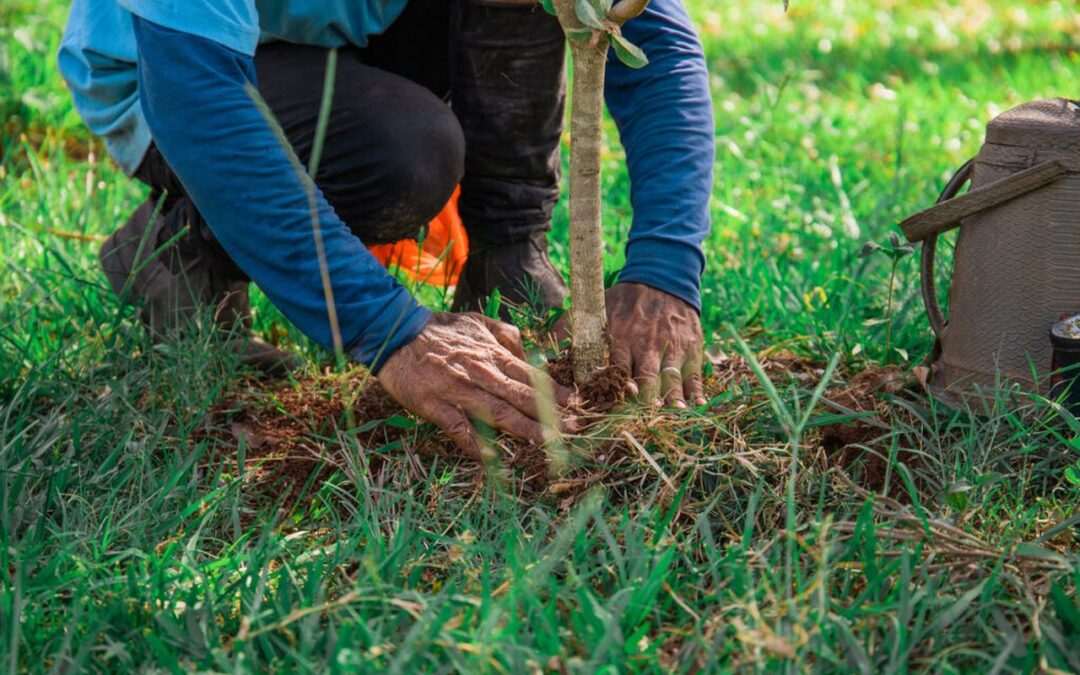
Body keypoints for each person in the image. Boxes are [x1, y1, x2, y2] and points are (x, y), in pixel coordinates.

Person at [58, 0, 715, 457]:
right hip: (174, 72)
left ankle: (509, 253)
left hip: (369, 35)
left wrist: (664, 270)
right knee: (404, 154)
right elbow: (198, 100)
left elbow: (646, 31)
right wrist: (391, 332)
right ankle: (184, 246)